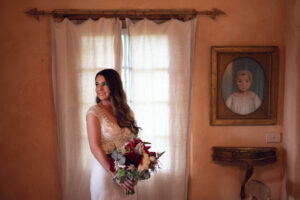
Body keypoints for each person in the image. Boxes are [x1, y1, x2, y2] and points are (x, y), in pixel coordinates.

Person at [86, 69, 139, 200]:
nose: (100, 88)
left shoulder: (126, 111)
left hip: (126, 173)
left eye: (104, 83)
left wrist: (136, 164)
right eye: (97, 84)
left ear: (114, 86)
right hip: (105, 174)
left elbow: (133, 142)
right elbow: (94, 147)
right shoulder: (93, 113)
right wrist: (115, 175)